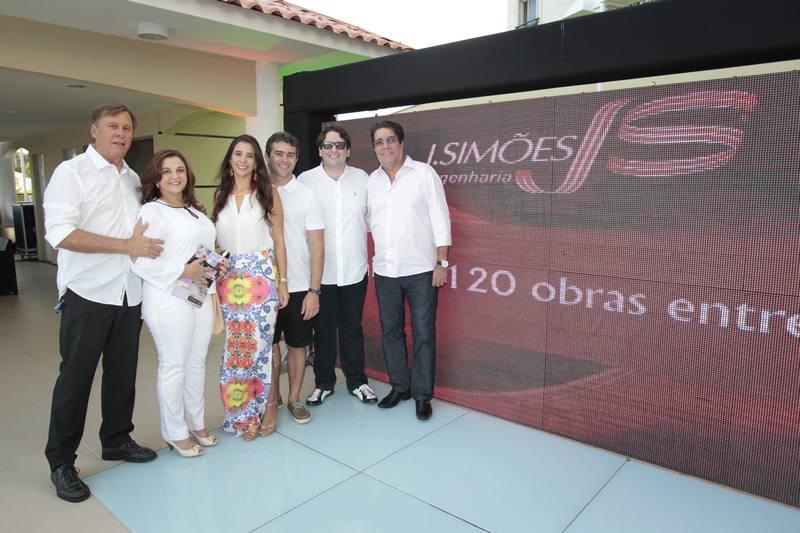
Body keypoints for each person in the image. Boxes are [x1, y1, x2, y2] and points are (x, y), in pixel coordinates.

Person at [43, 104, 162, 503]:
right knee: (75, 379)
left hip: (129, 292)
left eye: (127, 127)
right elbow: (60, 233)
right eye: (113, 126)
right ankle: (62, 462)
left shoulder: (132, 178)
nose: (120, 133)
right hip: (88, 293)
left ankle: (116, 439)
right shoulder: (71, 173)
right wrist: (126, 246)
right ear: (93, 129)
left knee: (122, 373)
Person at [131, 150, 222, 457]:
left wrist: (211, 281)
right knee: (174, 365)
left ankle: (196, 423)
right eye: (166, 171)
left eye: (180, 170)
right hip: (167, 299)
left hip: (198, 295)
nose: (174, 176)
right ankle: (175, 431)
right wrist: (183, 271)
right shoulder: (152, 213)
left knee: (196, 362)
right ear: (156, 179)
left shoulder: (194, 210)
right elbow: (139, 262)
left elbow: (203, 254)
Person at [367, 120, 452, 421]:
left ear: (401, 144)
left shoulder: (424, 174)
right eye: (379, 142)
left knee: (423, 334)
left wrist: (441, 263)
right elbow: (368, 222)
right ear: (374, 148)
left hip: (421, 271)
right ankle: (400, 387)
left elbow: (441, 219)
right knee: (390, 332)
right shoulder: (371, 182)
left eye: (391, 140)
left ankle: (422, 395)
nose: (386, 146)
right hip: (385, 272)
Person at [213, 135, 289, 440]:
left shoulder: (268, 194)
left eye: (249, 155)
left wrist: (283, 281)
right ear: (230, 159)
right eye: (238, 154)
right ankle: (241, 415)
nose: (243, 160)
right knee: (237, 350)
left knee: (261, 347)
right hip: (229, 279)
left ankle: (268, 407)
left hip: (262, 277)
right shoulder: (220, 195)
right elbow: (217, 243)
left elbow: (279, 239)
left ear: (257, 162)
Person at [298, 124, 377, 406]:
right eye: (328, 145)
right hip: (321, 273)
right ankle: (323, 383)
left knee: (352, 328)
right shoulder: (305, 181)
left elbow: (372, 220)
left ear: (348, 150)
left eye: (339, 145)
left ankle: (357, 382)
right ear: (320, 150)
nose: (334, 150)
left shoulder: (362, 179)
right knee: (323, 332)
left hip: (354, 270)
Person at [266, 132, 324, 424]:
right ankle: (272, 399)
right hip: (263, 284)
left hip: (299, 285)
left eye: (290, 155)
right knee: (269, 345)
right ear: (268, 156)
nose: (284, 159)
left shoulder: (307, 195)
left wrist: (314, 291)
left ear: (297, 159)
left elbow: (317, 247)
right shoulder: (256, 191)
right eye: (279, 153)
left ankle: (294, 399)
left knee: (298, 344)